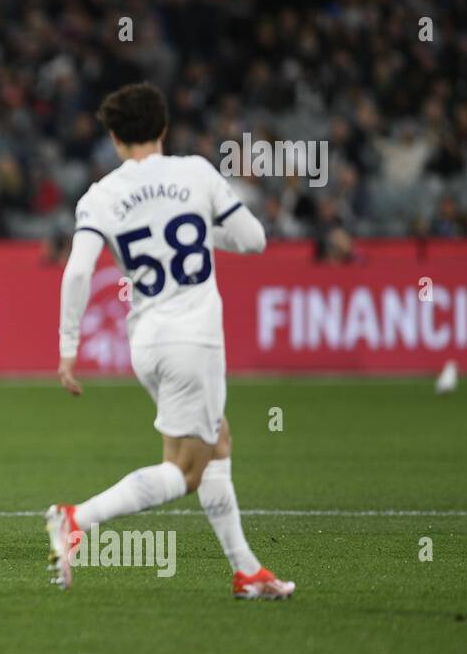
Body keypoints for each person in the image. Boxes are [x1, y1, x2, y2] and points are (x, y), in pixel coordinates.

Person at [48, 82, 295, 600]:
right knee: (184, 471)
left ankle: (247, 569)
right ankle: (76, 518)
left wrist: (69, 346)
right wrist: (206, 233)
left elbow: (77, 272)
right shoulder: (196, 172)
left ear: (115, 138)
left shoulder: (101, 194)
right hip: (194, 340)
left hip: (148, 342)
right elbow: (253, 239)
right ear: (163, 127)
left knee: (217, 440)